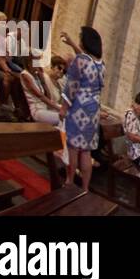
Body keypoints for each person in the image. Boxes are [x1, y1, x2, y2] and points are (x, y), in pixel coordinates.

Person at [60, 26, 104, 190]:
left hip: (79, 108)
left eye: (79, 37)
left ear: (85, 41)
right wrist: (71, 43)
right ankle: (85, 188)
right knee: (86, 152)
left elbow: (71, 87)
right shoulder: (100, 64)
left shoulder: (81, 61)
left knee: (72, 147)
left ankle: (70, 182)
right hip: (93, 112)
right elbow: (84, 59)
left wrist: (63, 108)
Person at [19, 57, 61, 126]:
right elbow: (41, 96)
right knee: (65, 118)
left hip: (45, 108)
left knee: (70, 111)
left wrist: (42, 78)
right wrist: (58, 108)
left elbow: (48, 96)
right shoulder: (25, 75)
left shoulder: (37, 75)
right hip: (37, 111)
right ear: (29, 63)